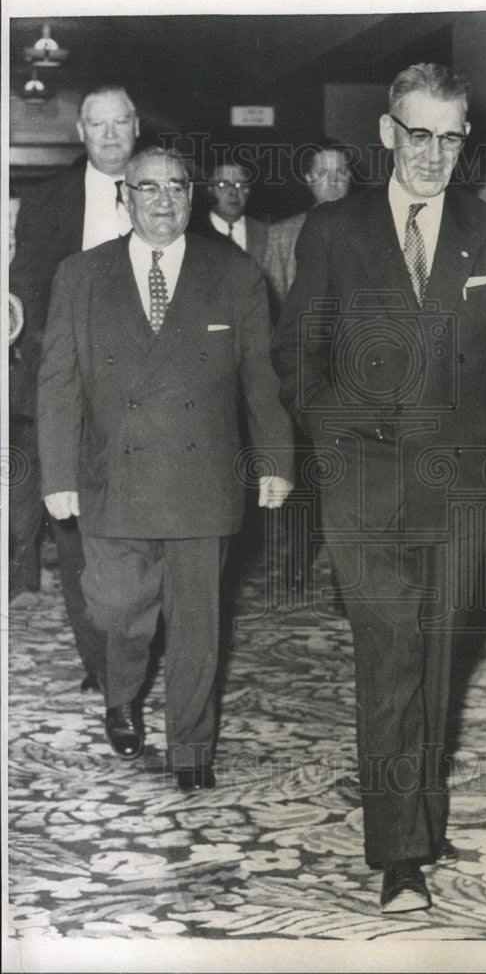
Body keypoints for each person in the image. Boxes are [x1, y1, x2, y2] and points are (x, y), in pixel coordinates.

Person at [271, 64, 486, 913]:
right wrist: (337, 432)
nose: (435, 153)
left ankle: (418, 809)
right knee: (391, 650)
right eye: (419, 134)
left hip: (465, 481)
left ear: (467, 140)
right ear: (389, 135)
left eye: (452, 136)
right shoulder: (333, 229)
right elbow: (296, 354)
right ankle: (399, 850)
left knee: (439, 654)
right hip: (365, 477)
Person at [37, 147, 294, 791]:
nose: (161, 200)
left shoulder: (234, 274)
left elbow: (262, 378)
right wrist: (57, 473)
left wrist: (275, 458)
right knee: (120, 608)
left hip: (201, 474)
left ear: (192, 194)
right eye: (146, 188)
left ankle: (191, 745)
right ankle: (122, 692)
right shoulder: (82, 275)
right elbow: (58, 382)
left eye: (175, 187)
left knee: (197, 620)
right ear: (124, 197)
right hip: (110, 473)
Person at [9, 85, 139, 691]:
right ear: (81, 133)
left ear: (135, 128)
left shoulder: (163, 190)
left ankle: (135, 644)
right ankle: (103, 662)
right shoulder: (47, 203)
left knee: (141, 529)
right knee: (76, 529)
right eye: (97, 124)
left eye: (120, 123)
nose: (110, 135)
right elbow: (26, 293)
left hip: (148, 395)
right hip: (71, 390)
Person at [263, 139, 351, 319]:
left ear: (349, 177)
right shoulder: (281, 234)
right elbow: (271, 301)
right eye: (323, 173)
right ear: (309, 178)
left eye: (340, 172)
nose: (333, 181)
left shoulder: (370, 231)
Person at [188, 160, 268, 269]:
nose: (233, 192)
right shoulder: (194, 233)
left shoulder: (266, 232)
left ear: (248, 190)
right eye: (222, 184)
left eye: (240, 184)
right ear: (209, 189)